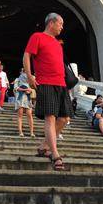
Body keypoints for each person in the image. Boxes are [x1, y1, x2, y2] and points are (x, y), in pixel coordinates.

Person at [23, 12, 72, 172]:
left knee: (64, 118)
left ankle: (44, 145)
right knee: (50, 118)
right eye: (60, 24)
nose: (62, 27)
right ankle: (55, 154)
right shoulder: (37, 36)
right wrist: (29, 75)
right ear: (51, 23)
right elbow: (27, 55)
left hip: (61, 84)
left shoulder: (57, 43)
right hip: (46, 83)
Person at [14, 68, 35, 137]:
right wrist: (25, 89)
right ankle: (20, 132)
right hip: (20, 98)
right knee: (20, 115)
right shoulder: (17, 79)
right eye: (24, 71)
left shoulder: (30, 79)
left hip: (27, 98)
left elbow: (33, 88)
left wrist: (30, 90)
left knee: (29, 115)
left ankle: (32, 132)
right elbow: (16, 88)